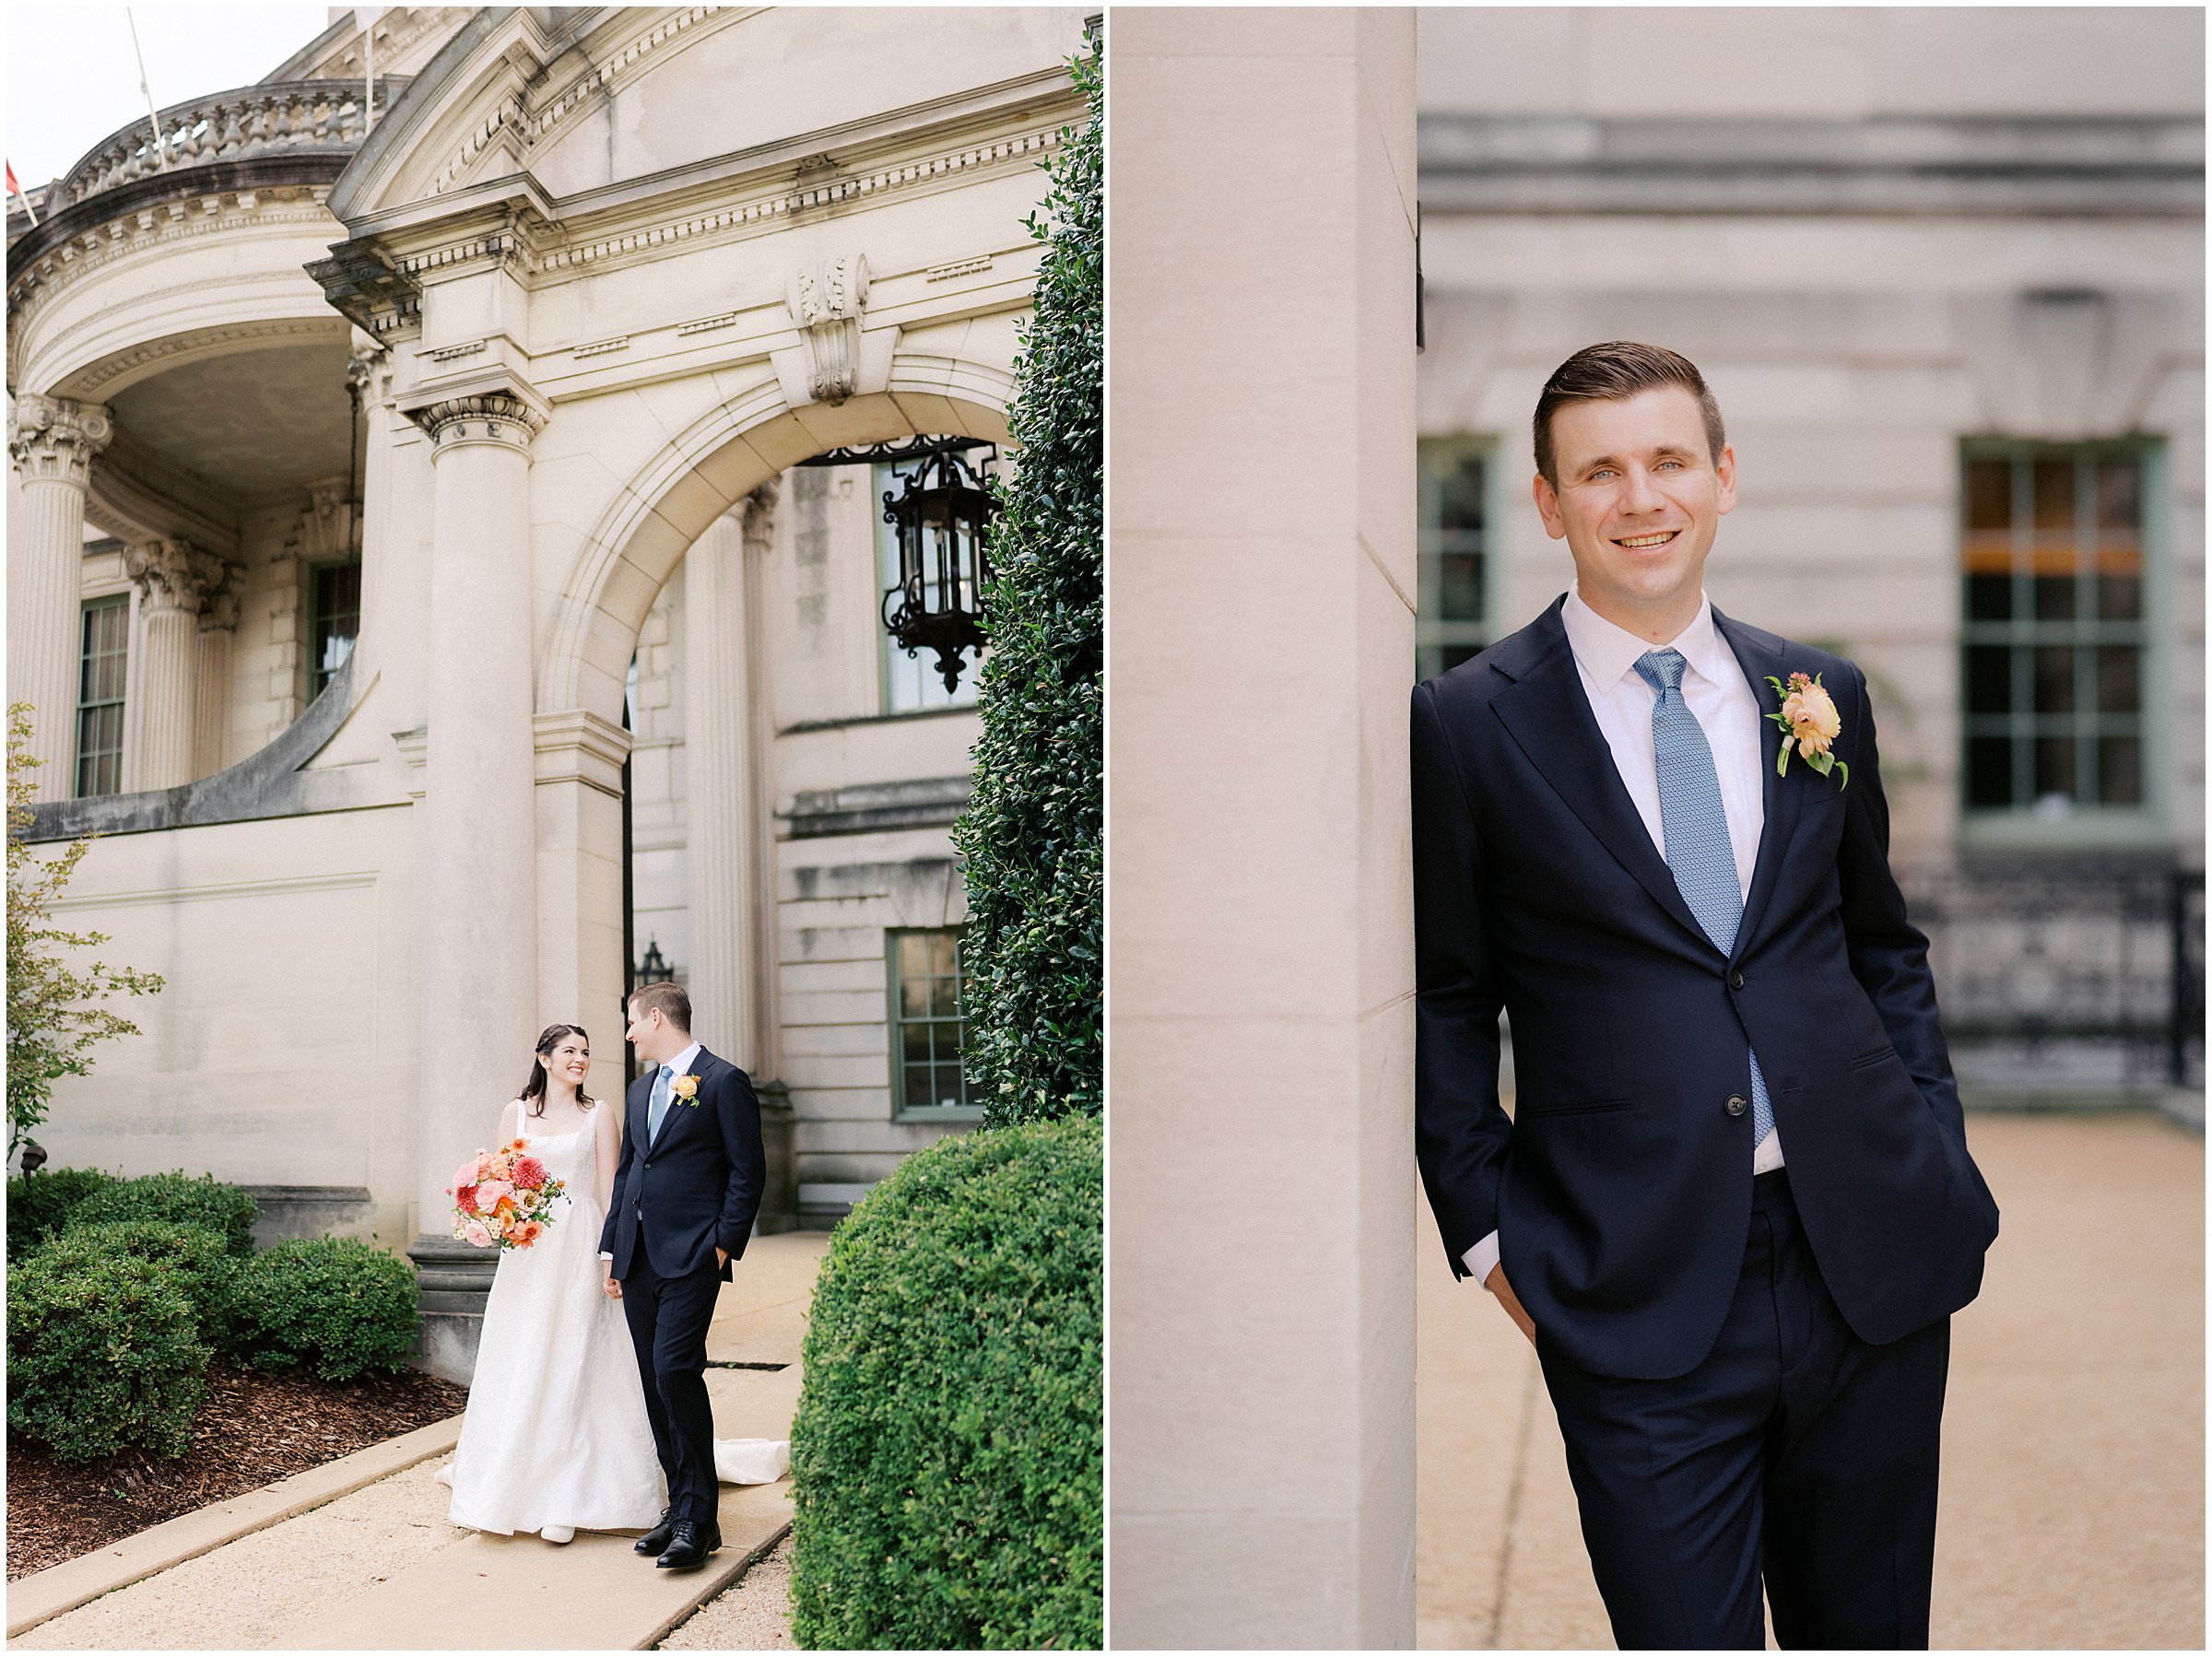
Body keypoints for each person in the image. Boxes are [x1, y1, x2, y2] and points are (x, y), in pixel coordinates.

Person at [1410, 341, 2001, 1650]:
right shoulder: (1465, 725)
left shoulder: (1818, 693)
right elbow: (1447, 999)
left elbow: (1879, 945)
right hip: (1633, 1282)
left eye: (1670, 459)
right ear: (1550, 502)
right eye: (1601, 470)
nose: (1642, 496)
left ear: (1723, 477)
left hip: (1869, 1259)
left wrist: (1930, 1139)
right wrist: (1494, 1236)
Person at [442, 1023, 665, 1542]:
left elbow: (613, 1188)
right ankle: (514, 1482)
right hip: (531, 1249)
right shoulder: (515, 1113)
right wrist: (490, 1216)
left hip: (582, 1243)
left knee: (577, 1355)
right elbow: (502, 1181)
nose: (580, 1060)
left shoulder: (600, 1114)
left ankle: (567, 1494)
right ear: (543, 1058)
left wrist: (614, 1255)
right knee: (524, 1354)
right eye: (569, 1052)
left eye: (585, 1052)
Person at [600, 981, 768, 1572]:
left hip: (694, 1256)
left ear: (655, 1018)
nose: (627, 1034)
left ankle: (699, 1517)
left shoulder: (725, 1082)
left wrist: (723, 1246)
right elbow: (628, 1175)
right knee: (653, 1380)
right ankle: (682, 1506)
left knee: (677, 1371)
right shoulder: (641, 1087)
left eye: (631, 1022)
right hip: (638, 1257)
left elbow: (748, 1172)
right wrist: (611, 1251)